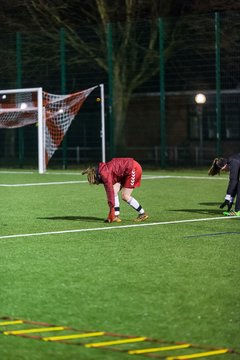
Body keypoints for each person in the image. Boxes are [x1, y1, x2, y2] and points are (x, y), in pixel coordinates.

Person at [82, 158, 149, 223]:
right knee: (114, 191)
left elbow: (110, 194)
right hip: (127, 171)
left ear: (97, 177)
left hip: (133, 168)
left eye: (96, 182)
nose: (97, 184)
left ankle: (143, 214)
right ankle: (116, 216)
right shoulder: (102, 170)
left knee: (125, 196)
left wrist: (111, 210)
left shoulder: (105, 176)